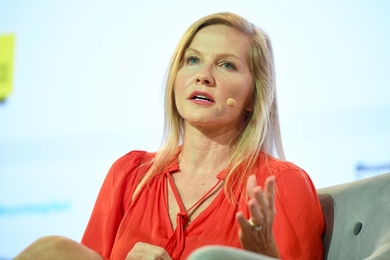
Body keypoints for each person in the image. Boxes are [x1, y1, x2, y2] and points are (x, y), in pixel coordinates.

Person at [14, 12, 324, 260]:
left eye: (227, 65)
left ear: (254, 97)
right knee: (52, 251)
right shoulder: (130, 174)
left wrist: (263, 256)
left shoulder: (281, 184)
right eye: (192, 60)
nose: (203, 75)